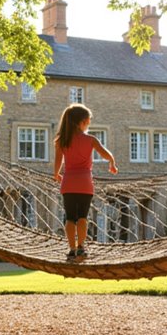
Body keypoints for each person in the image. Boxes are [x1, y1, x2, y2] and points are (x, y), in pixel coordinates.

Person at [53, 104, 117, 262]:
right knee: (82, 217)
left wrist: (56, 174)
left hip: (68, 182)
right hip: (85, 183)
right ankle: (81, 247)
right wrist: (112, 163)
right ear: (82, 122)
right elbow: (106, 154)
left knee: (69, 218)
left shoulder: (62, 140)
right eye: (88, 120)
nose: (89, 122)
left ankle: (72, 249)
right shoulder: (90, 140)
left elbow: (57, 162)